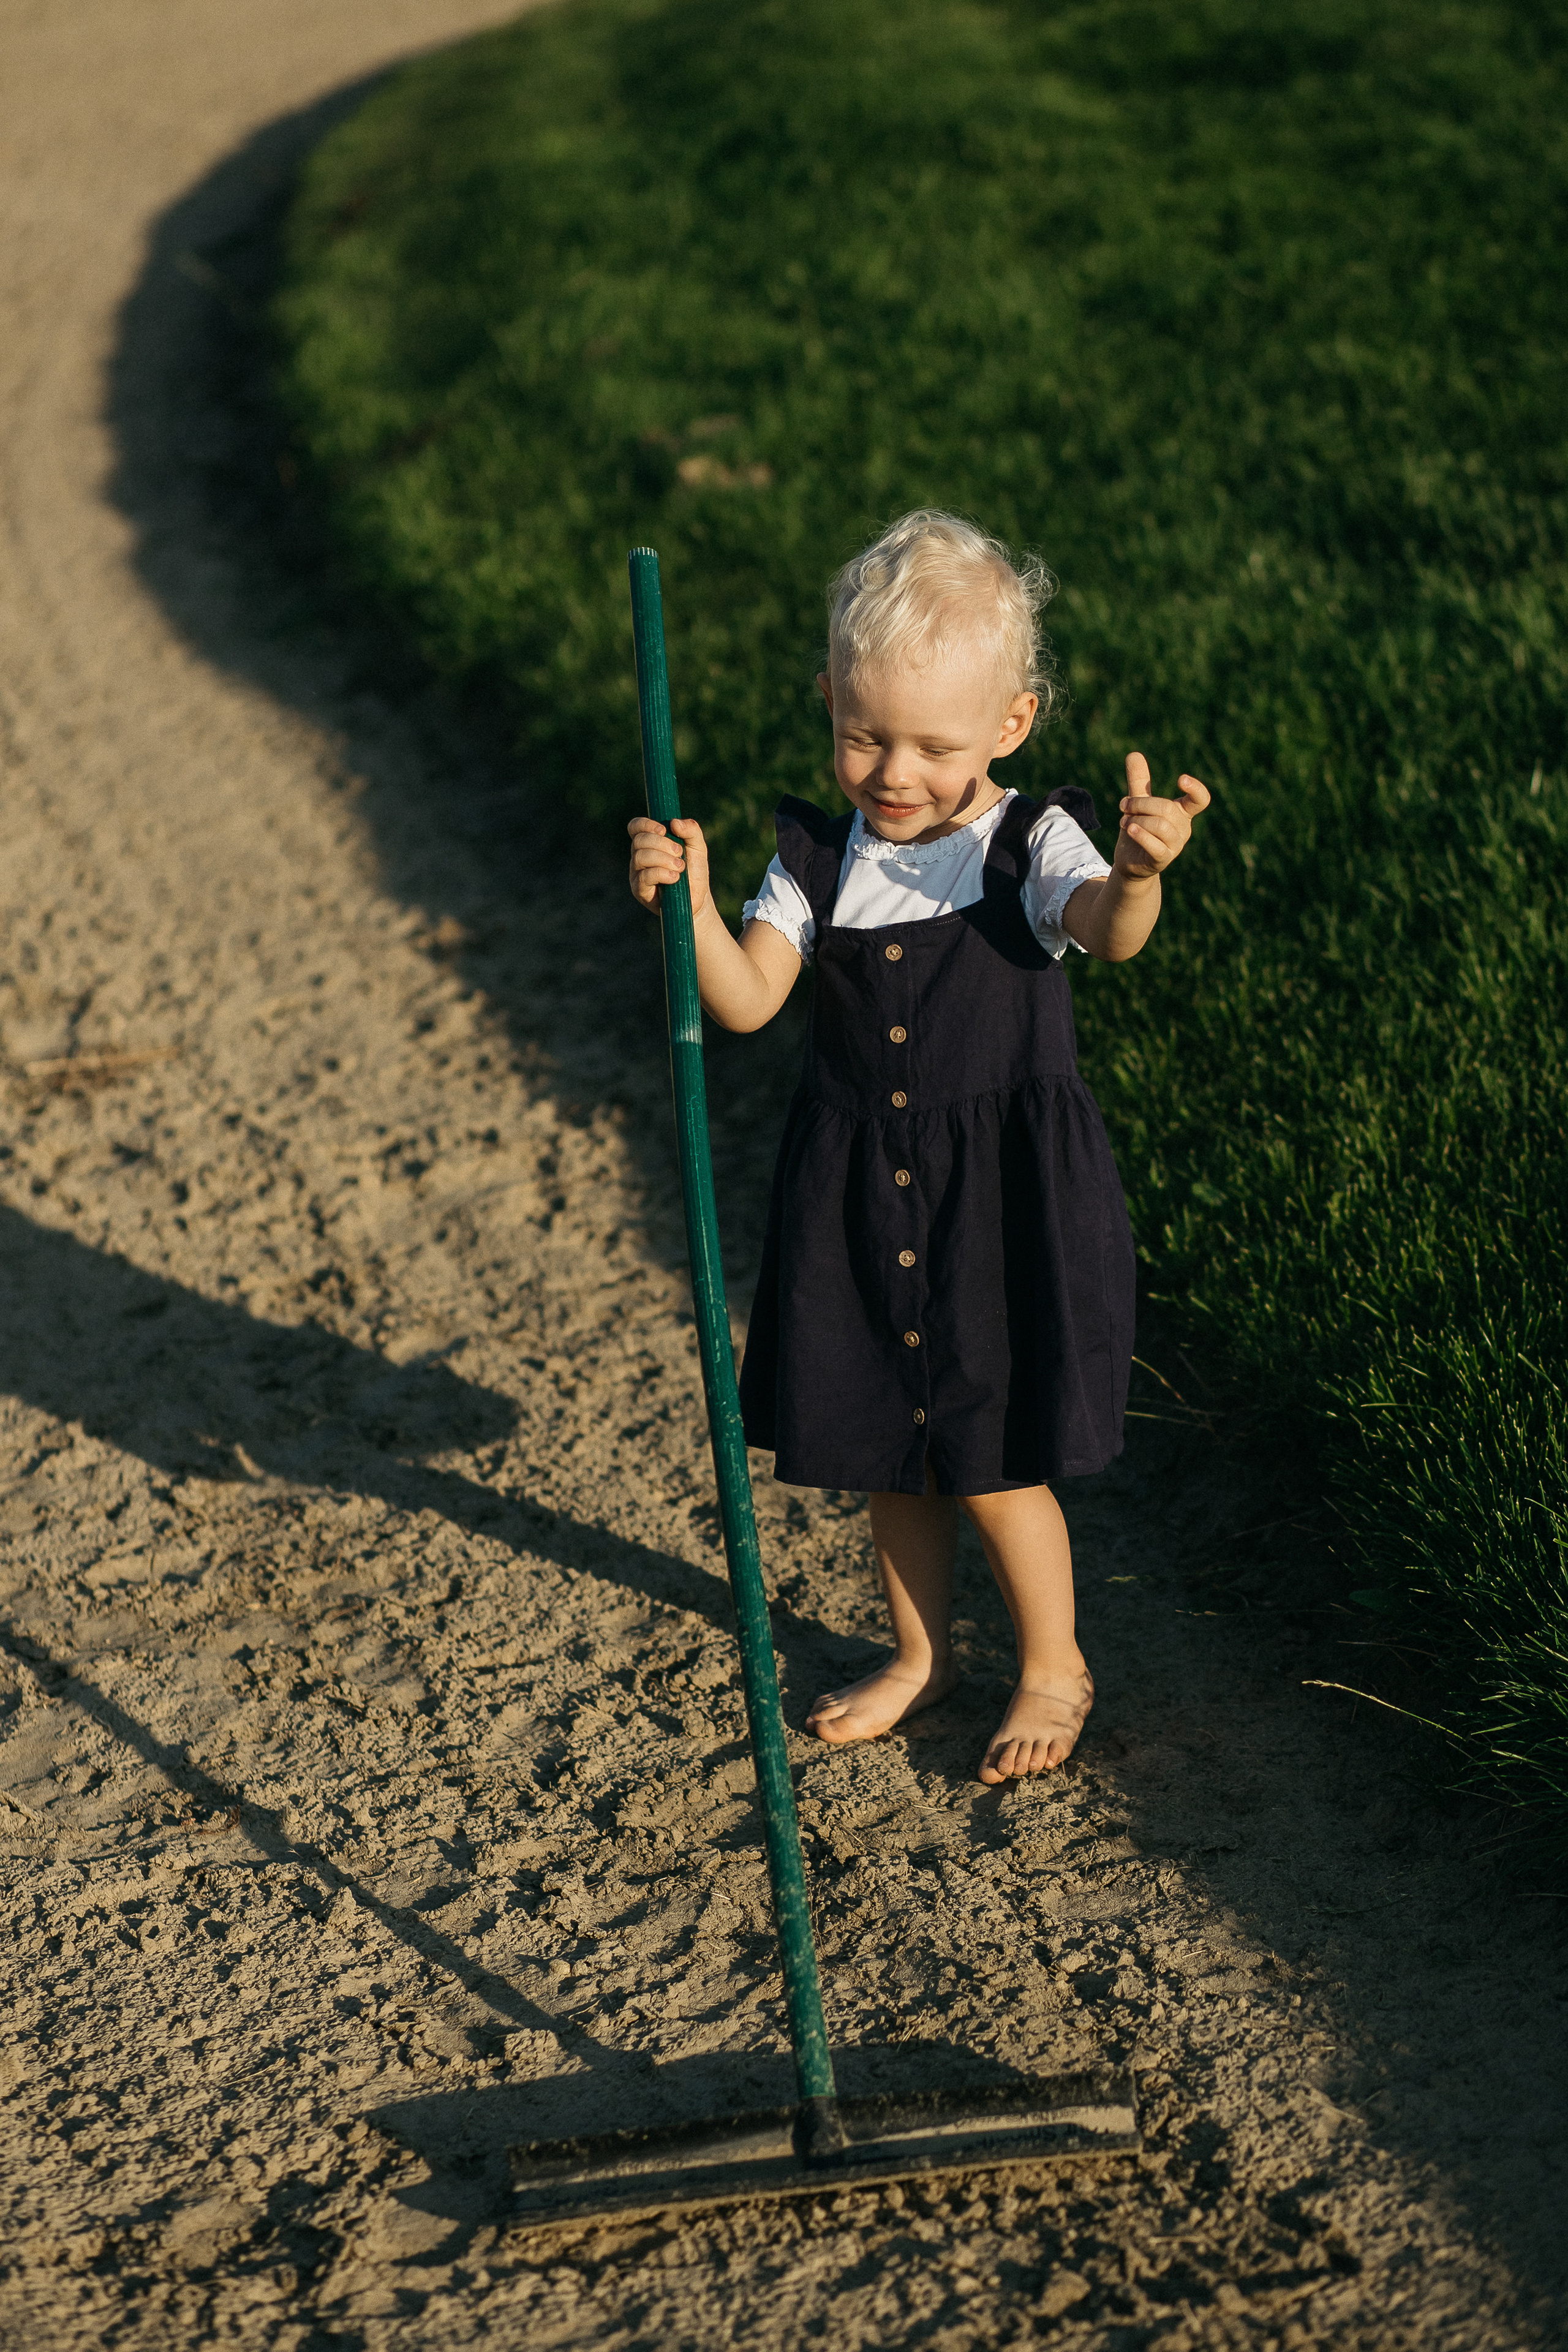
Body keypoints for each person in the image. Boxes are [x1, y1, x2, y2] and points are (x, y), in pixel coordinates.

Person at [628, 510, 1208, 1782]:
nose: (894, 772)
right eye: (862, 733)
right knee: (891, 1449)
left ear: (1010, 724)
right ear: (826, 695)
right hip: (856, 1195)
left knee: (993, 1453)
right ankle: (918, 1653)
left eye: (933, 745)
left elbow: (1107, 931)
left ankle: (1051, 1661)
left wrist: (1140, 870)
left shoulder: (1029, 843)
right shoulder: (810, 859)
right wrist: (688, 902)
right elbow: (743, 1002)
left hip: (998, 1196)